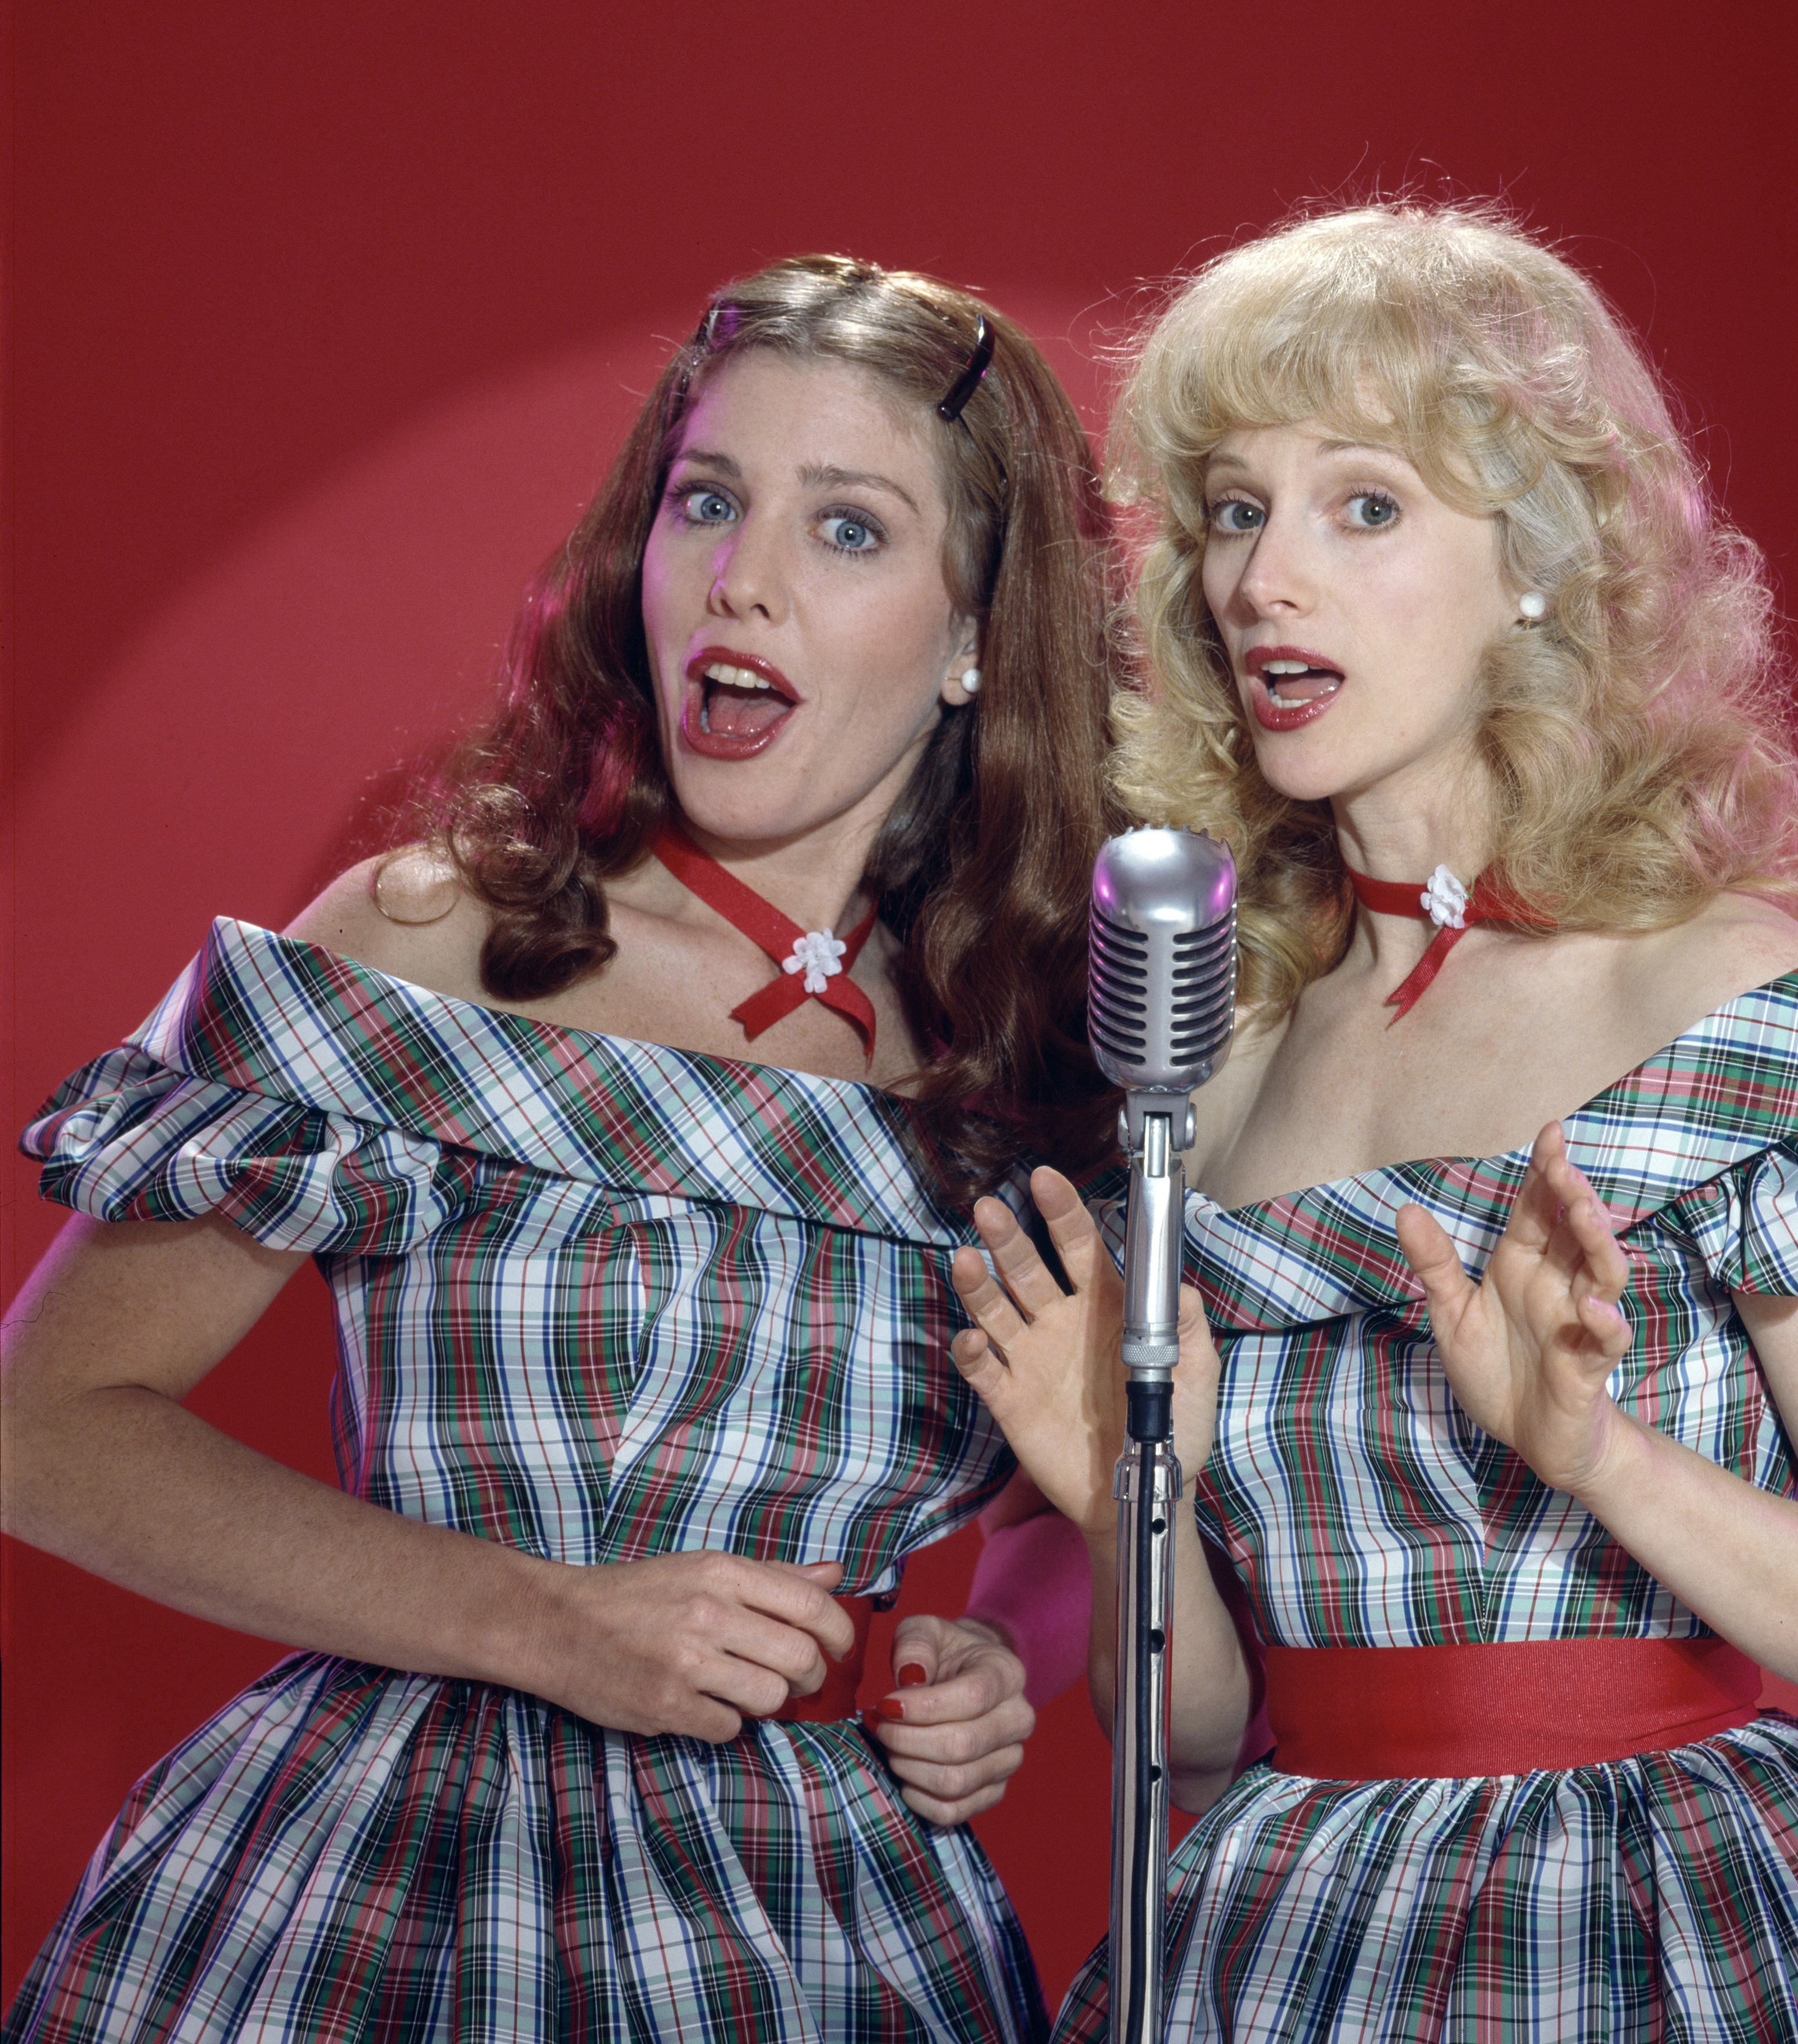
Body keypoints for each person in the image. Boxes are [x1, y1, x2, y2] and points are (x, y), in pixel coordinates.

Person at [950, 206, 1798, 2041]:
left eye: (1364, 505)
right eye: (1234, 511)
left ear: (1538, 563)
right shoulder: (1223, 1044)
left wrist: (1602, 1459)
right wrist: (1121, 1493)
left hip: (1674, 1922)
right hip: (1288, 1931)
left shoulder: (1729, 1003)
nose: (1263, 584)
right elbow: (1191, 1726)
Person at [1, 256, 1124, 2043]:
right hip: (389, 1889)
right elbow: (38, 1432)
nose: (740, 578)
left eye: (847, 531)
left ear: (979, 632)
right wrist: (538, 1619)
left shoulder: (1042, 1062)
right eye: (707, 499)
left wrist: (998, 1657)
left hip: (834, 1940)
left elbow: (1087, 1474)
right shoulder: (433, 946)